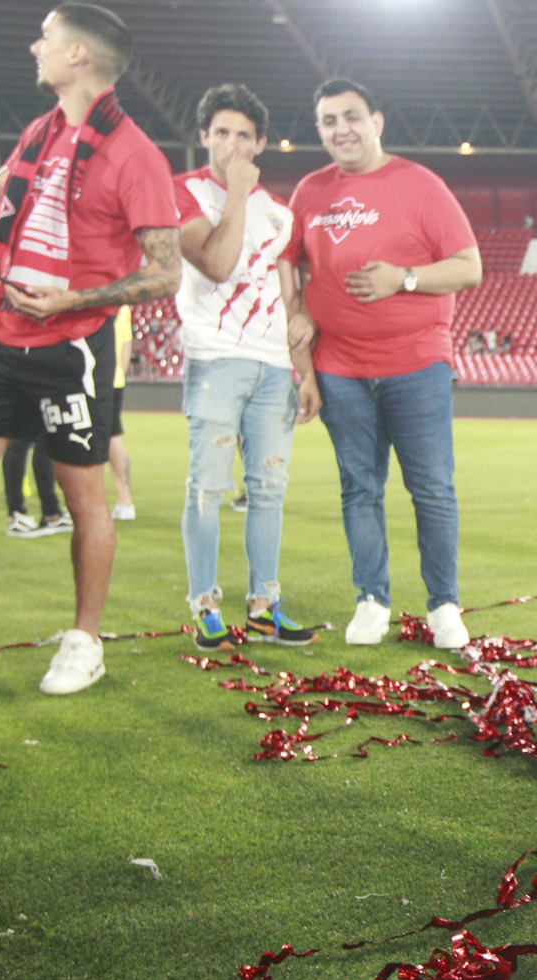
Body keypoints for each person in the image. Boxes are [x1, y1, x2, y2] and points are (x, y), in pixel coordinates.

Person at [0, 4, 180, 693]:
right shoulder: (41, 130)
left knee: (82, 496)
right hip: (1, 331)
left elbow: (166, 271)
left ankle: (84, 641)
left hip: (72, 344)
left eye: (47, 36)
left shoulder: (136, 155)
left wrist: (75, 300)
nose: (33, 44)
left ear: (79, 56)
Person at [286, 78, 482, 648]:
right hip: (339, 366)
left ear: (377, 121)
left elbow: (469, 266)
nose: (340, 129)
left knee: (432, 489)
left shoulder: (419, 185)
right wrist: (303, 359)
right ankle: (371, 599)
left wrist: (405, 278)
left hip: (415, 362)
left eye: (351, 116)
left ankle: (444, 603)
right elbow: (288, 268)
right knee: (358, 488)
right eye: (327, 121)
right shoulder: (310, 190)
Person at [174, 82, 320, 652]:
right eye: (220, 133)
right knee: (208, 487)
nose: (231, 144)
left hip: (272, 368)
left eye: (243, 135)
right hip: (214, 361)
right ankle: (205, 604)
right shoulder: (182, 193)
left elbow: (291, 301)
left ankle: (264, 605)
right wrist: (235, 192)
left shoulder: (281, 215)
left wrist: (303, 370)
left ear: (260, 142)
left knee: (268, 489)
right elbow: (216, 262)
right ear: (204, 137)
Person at [107, 304, 135, 520]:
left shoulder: (91, 297)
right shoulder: (123, 306)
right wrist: (119, 374)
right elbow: (127, 345)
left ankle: (125, 501)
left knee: (105, 439)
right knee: (112, 437)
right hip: (115, 378)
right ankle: (124, 500)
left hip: (93, 378)